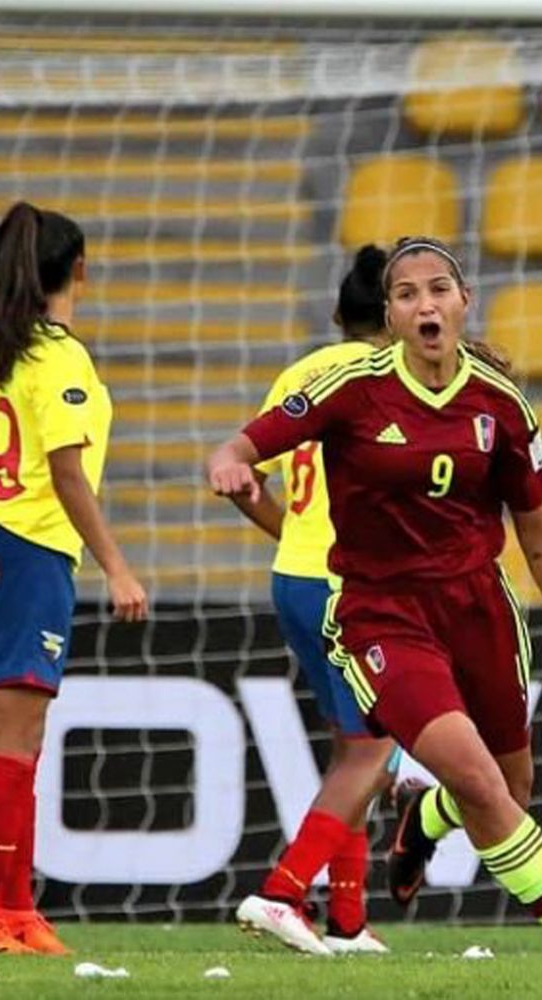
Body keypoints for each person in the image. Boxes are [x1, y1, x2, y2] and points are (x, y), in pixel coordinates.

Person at [207, 236, 542, 988]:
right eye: (407, 294)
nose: (425, 304)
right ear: (390, 315)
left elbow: (536, 531)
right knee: (478, 780)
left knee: (507, 787)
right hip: (381, 613)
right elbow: (251, 439)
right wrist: (231, 460)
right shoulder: (352, 387)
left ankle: (423, 823)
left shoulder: (501, 405)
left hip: (479, 610)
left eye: (438, 290)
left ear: (464, 302)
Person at [0, 202, 148, 955]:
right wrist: (117, 566)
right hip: (28, 551)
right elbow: (68, 475)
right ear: (79, 268)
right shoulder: (58, 356)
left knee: (20, 738)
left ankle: (15, 909)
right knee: (14, 739)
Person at [230, 246, 395, 955]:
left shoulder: (300, 373)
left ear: (336, 312)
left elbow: (243, 479)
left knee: (349, 746)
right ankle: (282, 891)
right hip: (346, 583)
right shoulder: (386, 378)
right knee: (375, 747)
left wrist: (291, 532)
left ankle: (349, 922)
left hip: (294, 577)